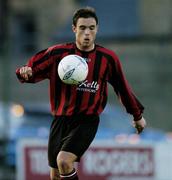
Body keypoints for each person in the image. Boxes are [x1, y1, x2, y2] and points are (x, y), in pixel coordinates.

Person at [16, 6, 146, 180]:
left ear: (97, 29)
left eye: (91, 28)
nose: (87, 33)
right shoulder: (58, 53)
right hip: (60, 119)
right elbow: (31, 69)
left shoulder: (107, 58)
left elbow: (122, 88)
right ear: (74, 28)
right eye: (82, 28)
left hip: (87, 120)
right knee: (55, 175)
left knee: (64, 161)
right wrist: (25, 72)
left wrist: (137, 115)